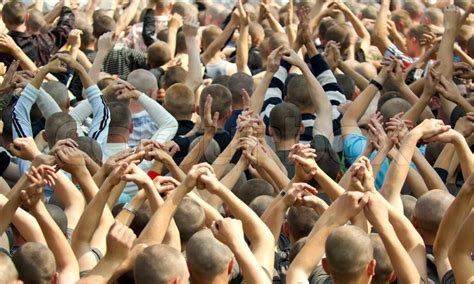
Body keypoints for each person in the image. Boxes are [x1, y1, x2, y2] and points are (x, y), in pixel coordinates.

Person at [0, 1, 471, 284]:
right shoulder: (333, 144)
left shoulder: (257, 126)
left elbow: (84, 231)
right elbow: (386, 201)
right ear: (374, 272)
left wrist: (204, 163)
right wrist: (389, 151)